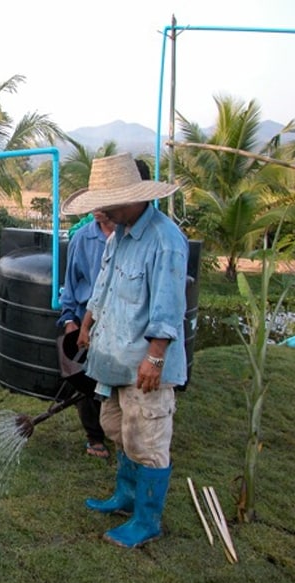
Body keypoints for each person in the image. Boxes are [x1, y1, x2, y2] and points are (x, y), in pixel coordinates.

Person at [65, 152, 188, 548]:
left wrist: (155, 357)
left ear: (134, 197)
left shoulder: (165, 240)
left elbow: (169, 308)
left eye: (108, 202)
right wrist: (87, 323)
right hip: (113, 359)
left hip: (144, 363)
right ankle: (125, 496)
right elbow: (104, 287)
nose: (102, 210)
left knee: (147, 440)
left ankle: (146, 520)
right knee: (117, 428)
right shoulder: (118, 234)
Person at [58, 159, 152, 459]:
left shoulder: (153, 241)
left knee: (128, 398)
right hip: (91, 323)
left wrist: (157, 356)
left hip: (128, 334)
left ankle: (134, 452)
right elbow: (80, 288)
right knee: (87, 387)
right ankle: (97, 437)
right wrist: (75, 322)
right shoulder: (83, 239)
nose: (101, 209)